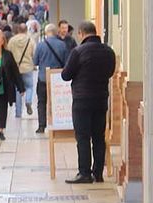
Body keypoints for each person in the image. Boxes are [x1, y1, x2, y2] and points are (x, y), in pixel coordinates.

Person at [62, 20, 117, 184]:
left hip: (82, 100)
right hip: (101, 99)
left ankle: (84, 173)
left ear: (81, 33)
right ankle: (98, 173)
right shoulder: (108, 51)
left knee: (83, 136)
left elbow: (66, 75)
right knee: (99, 136)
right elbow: (111, 71)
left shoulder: (78, 51)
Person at [35, 23, 70, 133]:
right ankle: (57, 123)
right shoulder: (63, 45)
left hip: (43, 78)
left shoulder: (40, 45)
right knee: (56, 102)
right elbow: (66, 62)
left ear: (46, 33)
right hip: (58, 79)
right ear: (56, 33)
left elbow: (35, 61)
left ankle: (41, 125)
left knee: (41, 102)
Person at [9, 20, 40, 122]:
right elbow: (34, 54)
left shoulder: (12, 40)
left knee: (18, 90)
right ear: (26, 30)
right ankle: (28, 101)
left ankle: (18, 113)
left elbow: (8, 53)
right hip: (27, 67)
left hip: (15, 69)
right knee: (30, 86)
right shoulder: (30, 40)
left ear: (18, 30)